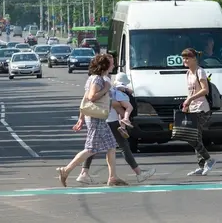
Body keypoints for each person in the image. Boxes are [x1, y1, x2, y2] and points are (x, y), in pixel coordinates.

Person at [57, 54, 127, 187]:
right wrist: (106, 89)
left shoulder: (95, 78)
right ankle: (66, 170)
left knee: (111, 146)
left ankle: (113, 177)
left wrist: (81, 118)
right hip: (96, 119)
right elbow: (91, 97)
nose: (113, 65)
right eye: (111, 63)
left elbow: (84, 100)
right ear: (105, 66)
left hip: (98, 118)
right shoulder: (97, 80)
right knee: (90, 149)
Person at [76, 71, 156, 185]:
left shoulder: (97, 81)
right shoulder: (103, 82)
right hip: (110, 120)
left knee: (98, 147)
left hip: (103, 119)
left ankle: (99, 175)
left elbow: (85, 101)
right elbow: (103, 101)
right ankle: (137, 173)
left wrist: (81, 118)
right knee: (120, 146)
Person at [181, 48, 216, 176]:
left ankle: (208, 159)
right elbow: (190, 92)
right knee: (194, 137)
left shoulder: (200, 72)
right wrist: (187, 103)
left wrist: (191, 98)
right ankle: (202, 165)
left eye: (187, 58)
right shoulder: (187, 73)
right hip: (192, 108)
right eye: (183, 58)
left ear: (194, 59)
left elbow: (205, 90)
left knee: (193, 136)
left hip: (202, 108)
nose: (185, 60)